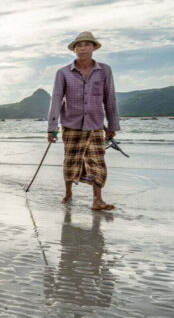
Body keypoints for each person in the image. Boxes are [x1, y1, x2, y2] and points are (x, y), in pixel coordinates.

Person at [46, 32, 119, 211]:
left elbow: (110, 99)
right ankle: (68, 193)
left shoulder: (105, 70)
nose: (83, 48)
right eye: (79, 45)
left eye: (87, 44)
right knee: (71, 160)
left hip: (95, 124)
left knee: (97, 161)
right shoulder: (63, 73)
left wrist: (112, 126)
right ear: (74, 49)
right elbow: (56, 99)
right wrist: (52, 127)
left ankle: (97, 200)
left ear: (93, 48)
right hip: (71, 124)